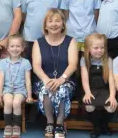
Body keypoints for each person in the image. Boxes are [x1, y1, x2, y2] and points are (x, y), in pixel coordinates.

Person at [32, 9, 78, 138]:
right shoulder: (38, 42)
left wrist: (61, 79)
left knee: (62, 89)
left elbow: (73, 64)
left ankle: (59, 124)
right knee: (47, 88)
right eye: (50, 21)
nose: (54, 24)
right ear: (45, 25)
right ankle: (49, 122)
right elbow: (36, 66)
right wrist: (47, 80)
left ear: (63, 24)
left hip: (66, 80)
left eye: (58, 21)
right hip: (43, 79)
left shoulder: (71, 41)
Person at [79, 33, 118, 138]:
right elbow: (85, 79)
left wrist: (112, 95)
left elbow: (111, 79)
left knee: (111, 107)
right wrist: (87, 93)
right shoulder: (84, 60)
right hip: (90, 89)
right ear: (88, 49)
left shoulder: (108, 60)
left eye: (102, 47)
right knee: (89, 105)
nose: (99, 50)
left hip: (105, 89)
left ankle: (104, 125)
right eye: (96, 48)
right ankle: (96, 127)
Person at [0, 34, 34, 138]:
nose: (15, 49)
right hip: (7, 89)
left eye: (18, 46)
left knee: (16, 103)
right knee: (8, 102)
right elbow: (1, 81)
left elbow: (28, 81)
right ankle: (8, 126)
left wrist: (29, 96)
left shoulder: (26, 63)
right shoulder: (3, 63)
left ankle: (16, 126)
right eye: (12, 46)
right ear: (7, 48)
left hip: (20, 90)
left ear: (22, 48)